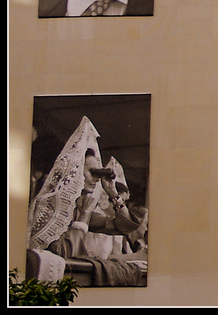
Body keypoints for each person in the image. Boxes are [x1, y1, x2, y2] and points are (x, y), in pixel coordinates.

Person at [27, 116, 146, 286]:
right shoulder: (49, 204)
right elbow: (61, 254)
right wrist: (84, 216)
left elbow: (125, 227)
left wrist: (112, 192)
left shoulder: (80, 206)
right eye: (92, 172)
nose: (96, 179)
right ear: (73, 171)